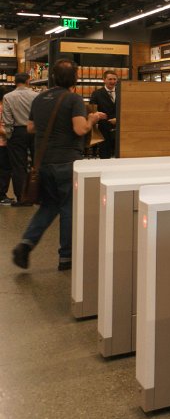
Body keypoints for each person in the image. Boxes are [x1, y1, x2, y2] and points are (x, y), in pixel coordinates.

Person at [12, 59, 106, 271]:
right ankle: (66, 257)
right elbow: (80, 129)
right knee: (68, 208)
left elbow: (30, 128)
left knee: (49, 205)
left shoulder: (39, 98)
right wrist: (92, 119)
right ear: (75, 78)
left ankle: (26, 243)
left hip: (43, 162)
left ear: (53, 77)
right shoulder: (73, 99)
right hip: (66, 161)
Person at [1, 72, 38, 206]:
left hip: (17, 133)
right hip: (34, 131)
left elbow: (7, 119)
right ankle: (39, 196)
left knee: (18, 167)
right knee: (37, 164)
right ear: (28, 81)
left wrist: (9, 134)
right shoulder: (36, 96)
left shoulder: (8, 97)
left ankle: (22, 198)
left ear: (15, 82)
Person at [89, 70, 119, 158]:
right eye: (110, 79)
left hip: (120, 131)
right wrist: (97, 114)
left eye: (114, 79)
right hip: (104, 131)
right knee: (105, 157)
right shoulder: (96, 94)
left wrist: (118, 119)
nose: (112, 81)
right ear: (104, 80)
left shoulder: (122, 92)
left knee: (120, 158)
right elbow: (92, 111)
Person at [0, 87, 13, 204]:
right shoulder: (1, 108)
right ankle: (2, 195)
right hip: (2, 143)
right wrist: (9, 134)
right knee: (5, 170)